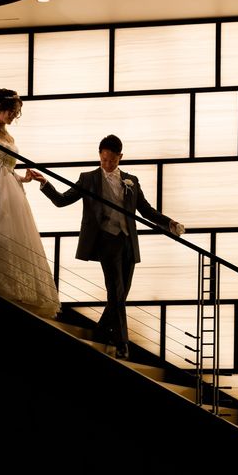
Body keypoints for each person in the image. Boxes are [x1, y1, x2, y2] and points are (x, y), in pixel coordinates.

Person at [30, 134, 185, 360]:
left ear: (120, 157)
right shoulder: (88, 178)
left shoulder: (131, 181)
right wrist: (45, 183)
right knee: (116, 292)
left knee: (119, 296)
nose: (108, 164)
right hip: (106, 242)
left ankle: (100, 333)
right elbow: (62, 200)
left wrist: (170, 224)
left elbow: (146, 211)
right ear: (99, 156)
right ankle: (122, 344)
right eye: (104, 160)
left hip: (128, 243)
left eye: (112, 160)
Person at [0, 87, 61, 318]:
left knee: (13, 235)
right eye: (11, 112)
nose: (14, 116)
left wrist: (24, 178)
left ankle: (14, 290)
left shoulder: (10, 137)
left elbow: (9, 169)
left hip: (12, 190)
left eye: (16, 113)